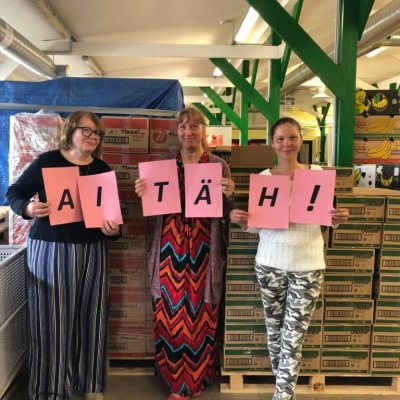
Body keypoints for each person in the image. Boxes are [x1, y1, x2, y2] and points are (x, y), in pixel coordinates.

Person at [230, 117, 349, 400]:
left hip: (308, 266)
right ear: (272, 143)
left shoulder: (317, 175)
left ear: (301, 140)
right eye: (281, 138)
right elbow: (256, 226)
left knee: (293, 336)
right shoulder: (265, 178)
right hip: (269, 264)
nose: (287, 144)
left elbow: (326, 218)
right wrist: (241, 220)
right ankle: (285, 390)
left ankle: (283, 395)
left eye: (292, 137)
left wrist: (338, 218)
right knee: (274, 333)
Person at [6, 111, 121, 400]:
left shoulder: (102, 169)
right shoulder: (47, 162)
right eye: (86, 130)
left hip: (94, 250)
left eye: (97, 133)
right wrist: (27, 209)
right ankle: (51, 389)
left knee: (93, 316)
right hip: (50, 249)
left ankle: (89, 383)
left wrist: (112, 230)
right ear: (70, 131)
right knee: (51, 319)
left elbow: (111, 217)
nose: (93, 137)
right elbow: (14, 193)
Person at [135, 107, 234, 400]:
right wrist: (142, 192)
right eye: (183, 127)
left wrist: (230, 195)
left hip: (205, 250)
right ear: (177, 132)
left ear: (203, 130)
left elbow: (226, 213)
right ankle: (176, 382)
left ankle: (197, 379)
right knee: (169, 312)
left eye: (194, 126)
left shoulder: (218, 166)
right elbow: (151, 210)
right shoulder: (163, 164)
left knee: (202, 314)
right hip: (169, 250)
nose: (189, 132)